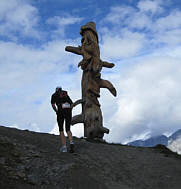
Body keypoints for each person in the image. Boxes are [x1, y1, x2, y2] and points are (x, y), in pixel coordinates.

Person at [51, 86, 74, 153]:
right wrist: (70, 110)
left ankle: (64, 147)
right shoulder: (65, 94)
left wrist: (56, 111)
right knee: (68, 129)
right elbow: (72, 104)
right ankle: (71, 142)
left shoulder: (54, 95)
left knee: (61, 129)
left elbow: (53, 105)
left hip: (60, 111)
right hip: (68, 111)